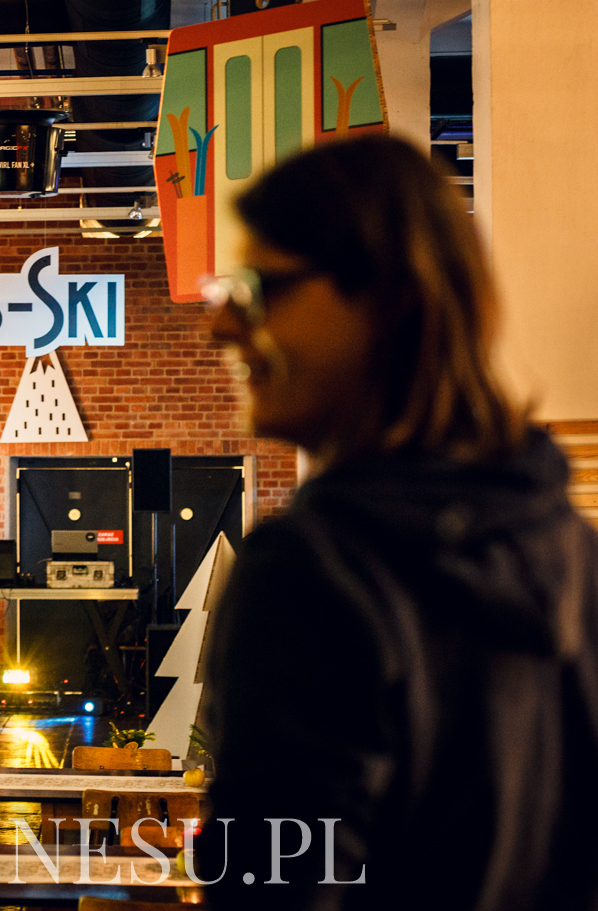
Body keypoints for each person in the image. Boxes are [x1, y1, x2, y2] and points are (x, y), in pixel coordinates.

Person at [191, 134, 598, 910]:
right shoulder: (573, 549)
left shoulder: (312, 572)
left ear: (389, 301)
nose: (221, 328)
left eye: (258, 289)